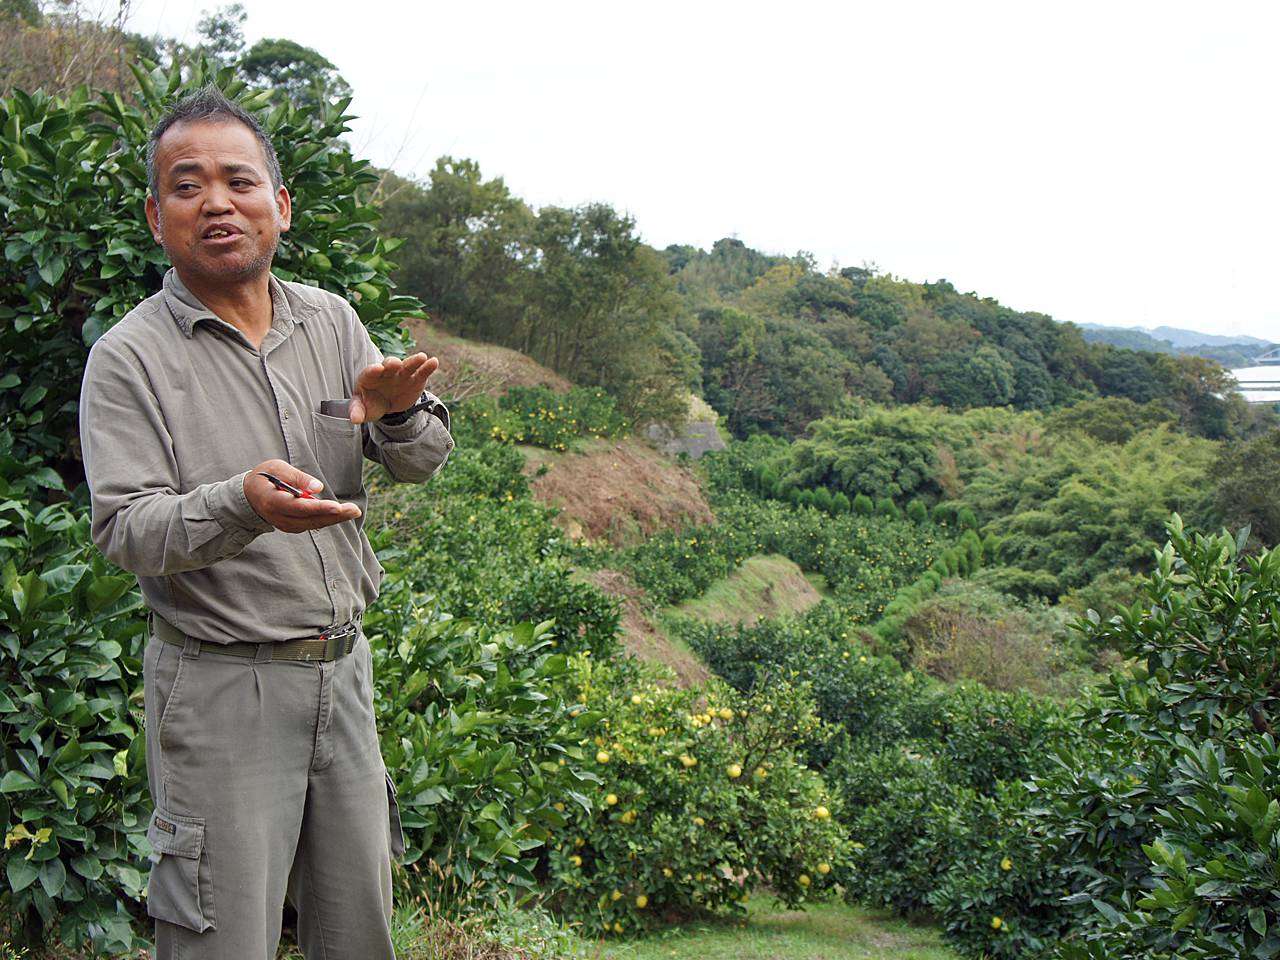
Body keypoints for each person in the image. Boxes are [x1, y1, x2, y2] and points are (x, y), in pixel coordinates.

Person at [77, 84, 454, 959]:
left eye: (239, 181)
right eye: (187, 184)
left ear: (279, 206)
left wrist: (399, 416)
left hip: (343, 675)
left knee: (357, 929)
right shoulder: (128, 358)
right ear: (154, 215)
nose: (217, 202)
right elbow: (125, 529)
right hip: (218, 689)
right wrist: (241, 503)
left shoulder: (332, 319)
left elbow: (418, 458)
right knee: (220, 938)